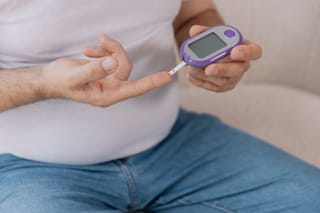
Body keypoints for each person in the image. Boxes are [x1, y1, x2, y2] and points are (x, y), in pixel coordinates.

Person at [0, 0, 319, 212]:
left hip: (175, 145)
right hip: (29, 166)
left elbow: (194, 14)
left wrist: (209, 51)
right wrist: (41, 82)